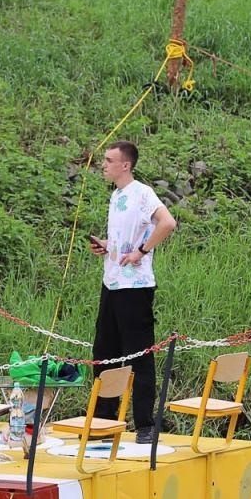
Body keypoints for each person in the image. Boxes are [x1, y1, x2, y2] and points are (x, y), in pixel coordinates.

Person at [88, 140, 177, 445]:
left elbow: (167, 223)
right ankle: (104, 423)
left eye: (109, 160)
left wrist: (142, 250)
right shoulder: (116, 196)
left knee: (139, 356)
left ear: (125, 165)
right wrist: (107, 246)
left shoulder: (142, 193)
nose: (103, 165)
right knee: (104, 355)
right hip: (111, 284)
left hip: (135, 288)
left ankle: (145, 425)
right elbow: (122, 239)